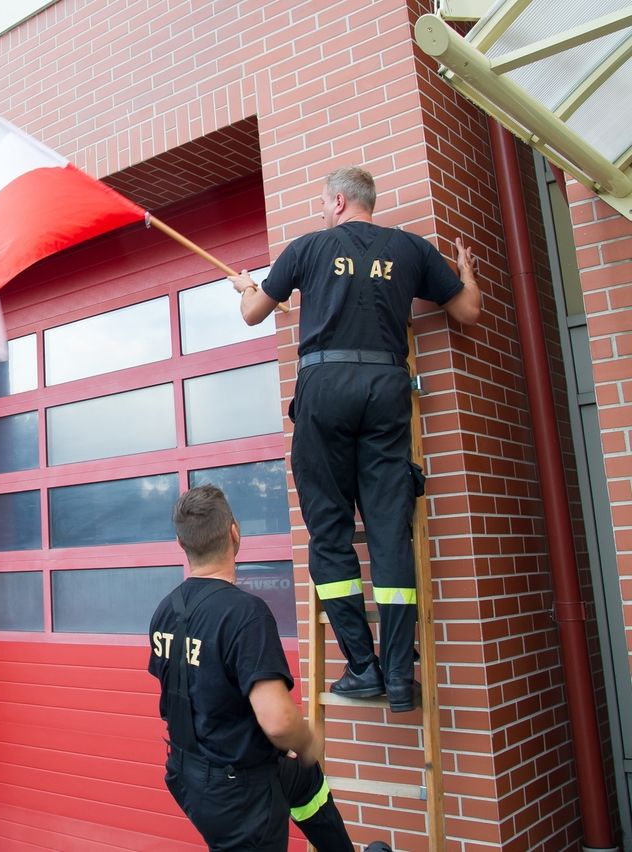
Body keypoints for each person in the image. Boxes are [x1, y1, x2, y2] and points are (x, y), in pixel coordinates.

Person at [228, 166, 481, 712]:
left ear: (339, 202)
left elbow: (253, 314)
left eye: (324, 203)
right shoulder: (411, 250)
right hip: (387, 388)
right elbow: (468, 311)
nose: (323, 211)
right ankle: (398, 673)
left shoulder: (309, 248)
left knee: (328, 530)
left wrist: (248, 287)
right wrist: (466, 272)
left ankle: (362, 667)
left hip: (325, 388)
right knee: (390, 530)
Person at [148, 484, 391, 852]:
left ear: (183, 545)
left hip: (188, 774)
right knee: (300, 759)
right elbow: (278, 722)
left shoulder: (165, 610)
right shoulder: (245, 614)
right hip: (236, 794)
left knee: (303, 779)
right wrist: (308, 742)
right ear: (235, 532)